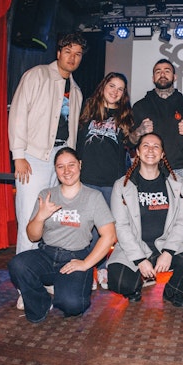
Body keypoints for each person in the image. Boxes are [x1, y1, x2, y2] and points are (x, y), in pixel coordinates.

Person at [7, 147, 117, 323]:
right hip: (47, 254)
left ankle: (66, 288)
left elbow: (109, 235)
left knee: (72, 305)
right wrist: (40, 217)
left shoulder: (93, 197)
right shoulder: (47, 195)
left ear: (80, 165)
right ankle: (41, 304)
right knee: (18, 264)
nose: (66, 171)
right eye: (60, 167)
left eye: (71, 165)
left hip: (75, 257)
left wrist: (86, 263)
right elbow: (33, 236)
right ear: (55, 170)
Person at [9, 33, 86, 255]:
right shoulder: (37, 75)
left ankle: (43, 267)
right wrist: (18, 155)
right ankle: (25, 273)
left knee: (53, 216)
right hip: (33, 157)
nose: (72, 58)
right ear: (59, 53)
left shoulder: (76, 90)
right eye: (68, 52)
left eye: (78, 54)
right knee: (30, 215)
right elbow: (18, 114)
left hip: (61, 159)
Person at [107, 133, 183, 307]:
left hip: (165, 245)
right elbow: (121, 226)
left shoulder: (177, 183)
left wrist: (168, 252)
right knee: (119, 281)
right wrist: (139, 260)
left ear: (162, 154)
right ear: (137, 152)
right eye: (146, 145)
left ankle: (174, 290)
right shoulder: (122, 185)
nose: (151, 150)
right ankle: (134, 287)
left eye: (156, 146)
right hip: (136, 246)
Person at [77, 72, 133, 289]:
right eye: (112, 86)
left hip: (111, 181)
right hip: (87, 178)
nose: (115, 91)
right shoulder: (88, 109)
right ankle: (87, 269)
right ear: (103, 87)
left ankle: (102, 267)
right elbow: (79, 141)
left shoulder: (125, 115)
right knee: (86, 229)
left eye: (120, 89)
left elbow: (131, 145)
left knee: (106, 229)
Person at [130, 59, 183, 194]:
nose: (162, 74)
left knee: (182, 208)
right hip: (147, 170)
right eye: (158, 72)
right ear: (153, 78)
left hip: (179, 172)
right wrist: (138, 132)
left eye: (167, 71)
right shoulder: (140, 106)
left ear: (175, 77)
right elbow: (129, 141)